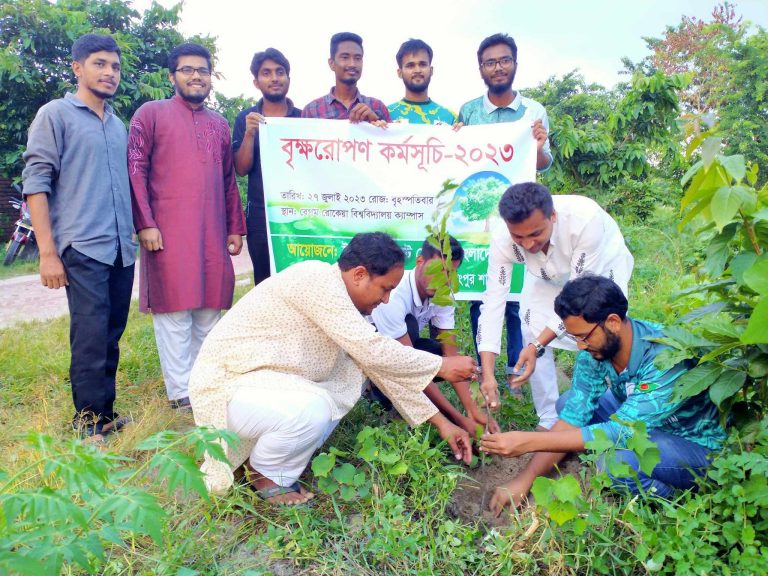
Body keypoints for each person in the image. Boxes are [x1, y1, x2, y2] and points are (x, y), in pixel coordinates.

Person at [189, 232, 478, 505]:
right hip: (226, 387)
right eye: (385, 289)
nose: (386, 299)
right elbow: (375, 351)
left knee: (342, 388)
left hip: (258, 389)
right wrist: (441, 365)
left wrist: (444, 425)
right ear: (360, 275)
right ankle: (265, 474)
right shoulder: (317, 281)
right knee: (314, 409)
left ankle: (263, 452)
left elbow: (382, 369)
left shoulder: (346, 303)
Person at [480, 275, 726, 515]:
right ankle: (597, 450)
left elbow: (620, 432)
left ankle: (674, 501)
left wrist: (528, 442)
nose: (580, 346)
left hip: (692, 444)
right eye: (574, 337)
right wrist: (526, 479)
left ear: (613, 322)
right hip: (640, 419)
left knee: (613, 465)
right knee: (568, 404)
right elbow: (576, 412)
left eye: (584, 337)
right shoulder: (596, 349)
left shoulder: (666, 358)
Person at [22, 34, 136, 440]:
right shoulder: (55, 115)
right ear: (77, 68)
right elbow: (36, 183)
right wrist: (47, 253)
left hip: (122, 248)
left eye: (115, 67)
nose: (109, 73)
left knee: (111, 332)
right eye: (100, 64)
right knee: (89, 335)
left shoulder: (118, 124)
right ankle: (87, 423)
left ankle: (104, 413)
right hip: (83, 246)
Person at [128, 43, 246, 411]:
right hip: (167, 232)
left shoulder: (219, 123)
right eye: (187, 70)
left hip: (211, 230)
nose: (196, 76)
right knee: (175, 312)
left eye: (203, 71)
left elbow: (228, 178)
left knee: (210, 310)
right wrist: (145, 223)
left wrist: (233, 227)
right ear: (171, 76)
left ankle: (205, 385)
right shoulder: (150, 114)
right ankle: (181, 393)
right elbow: (135, 170)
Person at [478, 182, 634, 429]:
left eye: (535, 234)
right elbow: (493, 302)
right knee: (529, 322)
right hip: (546, 273)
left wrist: (537, 345)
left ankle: (618, 408)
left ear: (553, 216)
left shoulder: (585, 220)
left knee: (602, 331)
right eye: (518, 237)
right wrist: (487, 374)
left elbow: (579, 298)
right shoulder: (502, 240)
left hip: (600, 270)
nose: (528, 244)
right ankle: (549, 417)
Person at [457, 33, 553, 389]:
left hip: (520, 220)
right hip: (479, 218)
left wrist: (540, 145)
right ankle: (485, 368)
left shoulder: (534, 112)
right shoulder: (469, 111)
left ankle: (516, 368)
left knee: (517, 295)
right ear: (481, 68)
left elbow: (543, 166)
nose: (497, 67)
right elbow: (457, 160)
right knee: (479, 294)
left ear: (515, 63)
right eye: (490, 62)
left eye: (503, 60)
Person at [370, 235, 499, 436]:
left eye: (450, 273)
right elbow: (410, 366)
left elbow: (450, 356)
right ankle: (378, 393)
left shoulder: (443, 293)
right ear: (420, 261)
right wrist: (458, 419)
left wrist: (473, 412)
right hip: (376, 358)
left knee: (446, 357)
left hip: (406, 352)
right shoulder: (394, 295)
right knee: (410, 327)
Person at [233, 48, 302, 286]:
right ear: (256, 81)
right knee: (265, 283)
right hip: (261, 215)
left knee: (299, 279)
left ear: (288, 79)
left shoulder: (304, 119)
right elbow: (240, 169)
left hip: (300, 212)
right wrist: (250, 135)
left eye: (279, 72)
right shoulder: (246, 118)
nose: (274, 78)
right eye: (266, 73)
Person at [302, 32, 390, 125]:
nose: (352, 64)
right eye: (345, 57)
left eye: (357, 58)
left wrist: (376, 125)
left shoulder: (377, 107)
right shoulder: (312, 111)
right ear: (331, 63)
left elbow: (393, 138)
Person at [388, 39, 456, 125]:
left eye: (423, 64)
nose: (417, 70)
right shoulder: (386, 117)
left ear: (431, 70)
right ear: (400, 73)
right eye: (410, 66)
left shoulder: (450, 118)